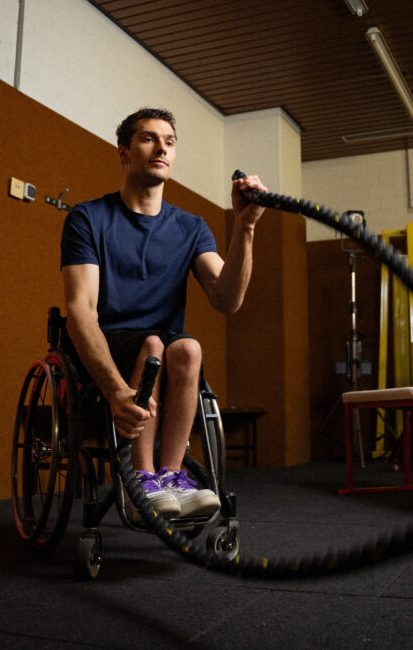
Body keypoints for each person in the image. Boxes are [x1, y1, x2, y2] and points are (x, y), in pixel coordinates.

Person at [60, 107, 266, 519]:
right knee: (154, 342)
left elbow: (227, 299)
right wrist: (116, 389)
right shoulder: (88, 218)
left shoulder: (191, 227)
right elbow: (80, 309)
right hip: (109, 343)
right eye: (149, 138)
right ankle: (141, 479)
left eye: (170, 142)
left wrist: (245, 227)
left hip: (162, 352)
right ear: (124, 152)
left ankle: (171, 478)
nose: (162, 148)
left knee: (187, 348)